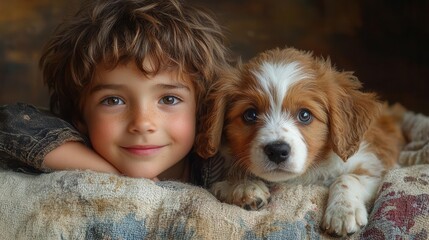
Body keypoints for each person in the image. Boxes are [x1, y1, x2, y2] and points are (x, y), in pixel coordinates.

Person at [0, 0, 230, 187]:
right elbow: (10, 123)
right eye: (113, 100)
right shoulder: (71, 152)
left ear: (202, 109)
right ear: (80, 116)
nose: (142, 123)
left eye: (169, 99)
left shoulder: (222, 165)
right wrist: (113, 175)